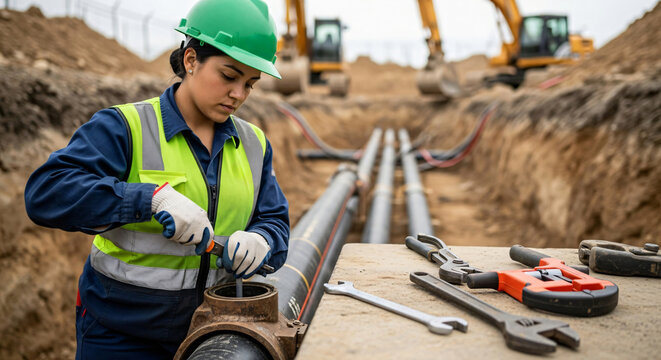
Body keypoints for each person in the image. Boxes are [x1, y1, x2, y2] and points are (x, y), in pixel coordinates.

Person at [24, 0, 289, 358]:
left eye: (250, 84)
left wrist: (263, 239)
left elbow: (275, 222)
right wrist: (150, 200)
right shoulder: (125, 128)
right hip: (121, 336)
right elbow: (47, 192)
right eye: (229, 76)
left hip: (213, 336)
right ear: (191, 60)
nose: (239, 94)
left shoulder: (254, 144)